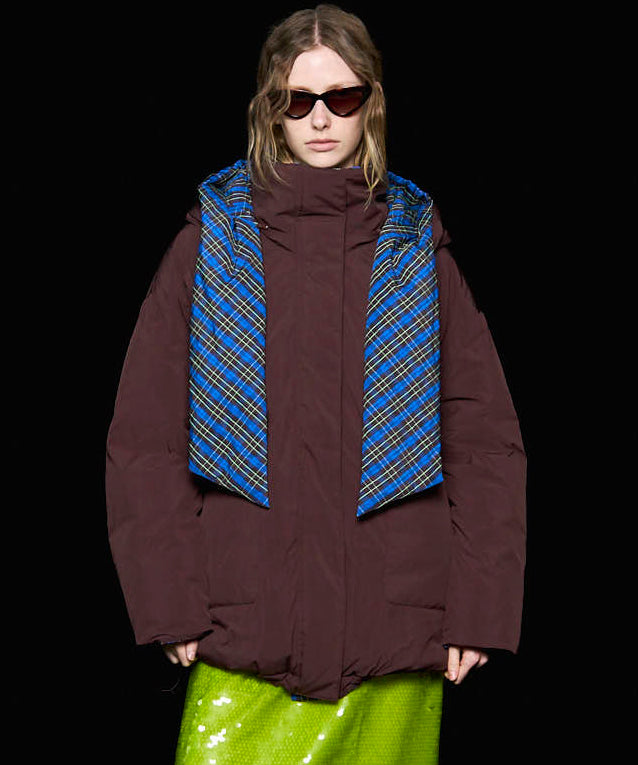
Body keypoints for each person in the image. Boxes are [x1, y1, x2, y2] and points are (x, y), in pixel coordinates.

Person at [105, 4, 526, 763]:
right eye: (297, 101)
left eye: (342, 97)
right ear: (270, 109)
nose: (321, 119)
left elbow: (484, 441)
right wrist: (167, 600)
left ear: (372, 103)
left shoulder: (416, 243)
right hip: (245, 627)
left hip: (396, 632)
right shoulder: (210, 241)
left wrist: (481, 610)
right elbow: (146, 436)